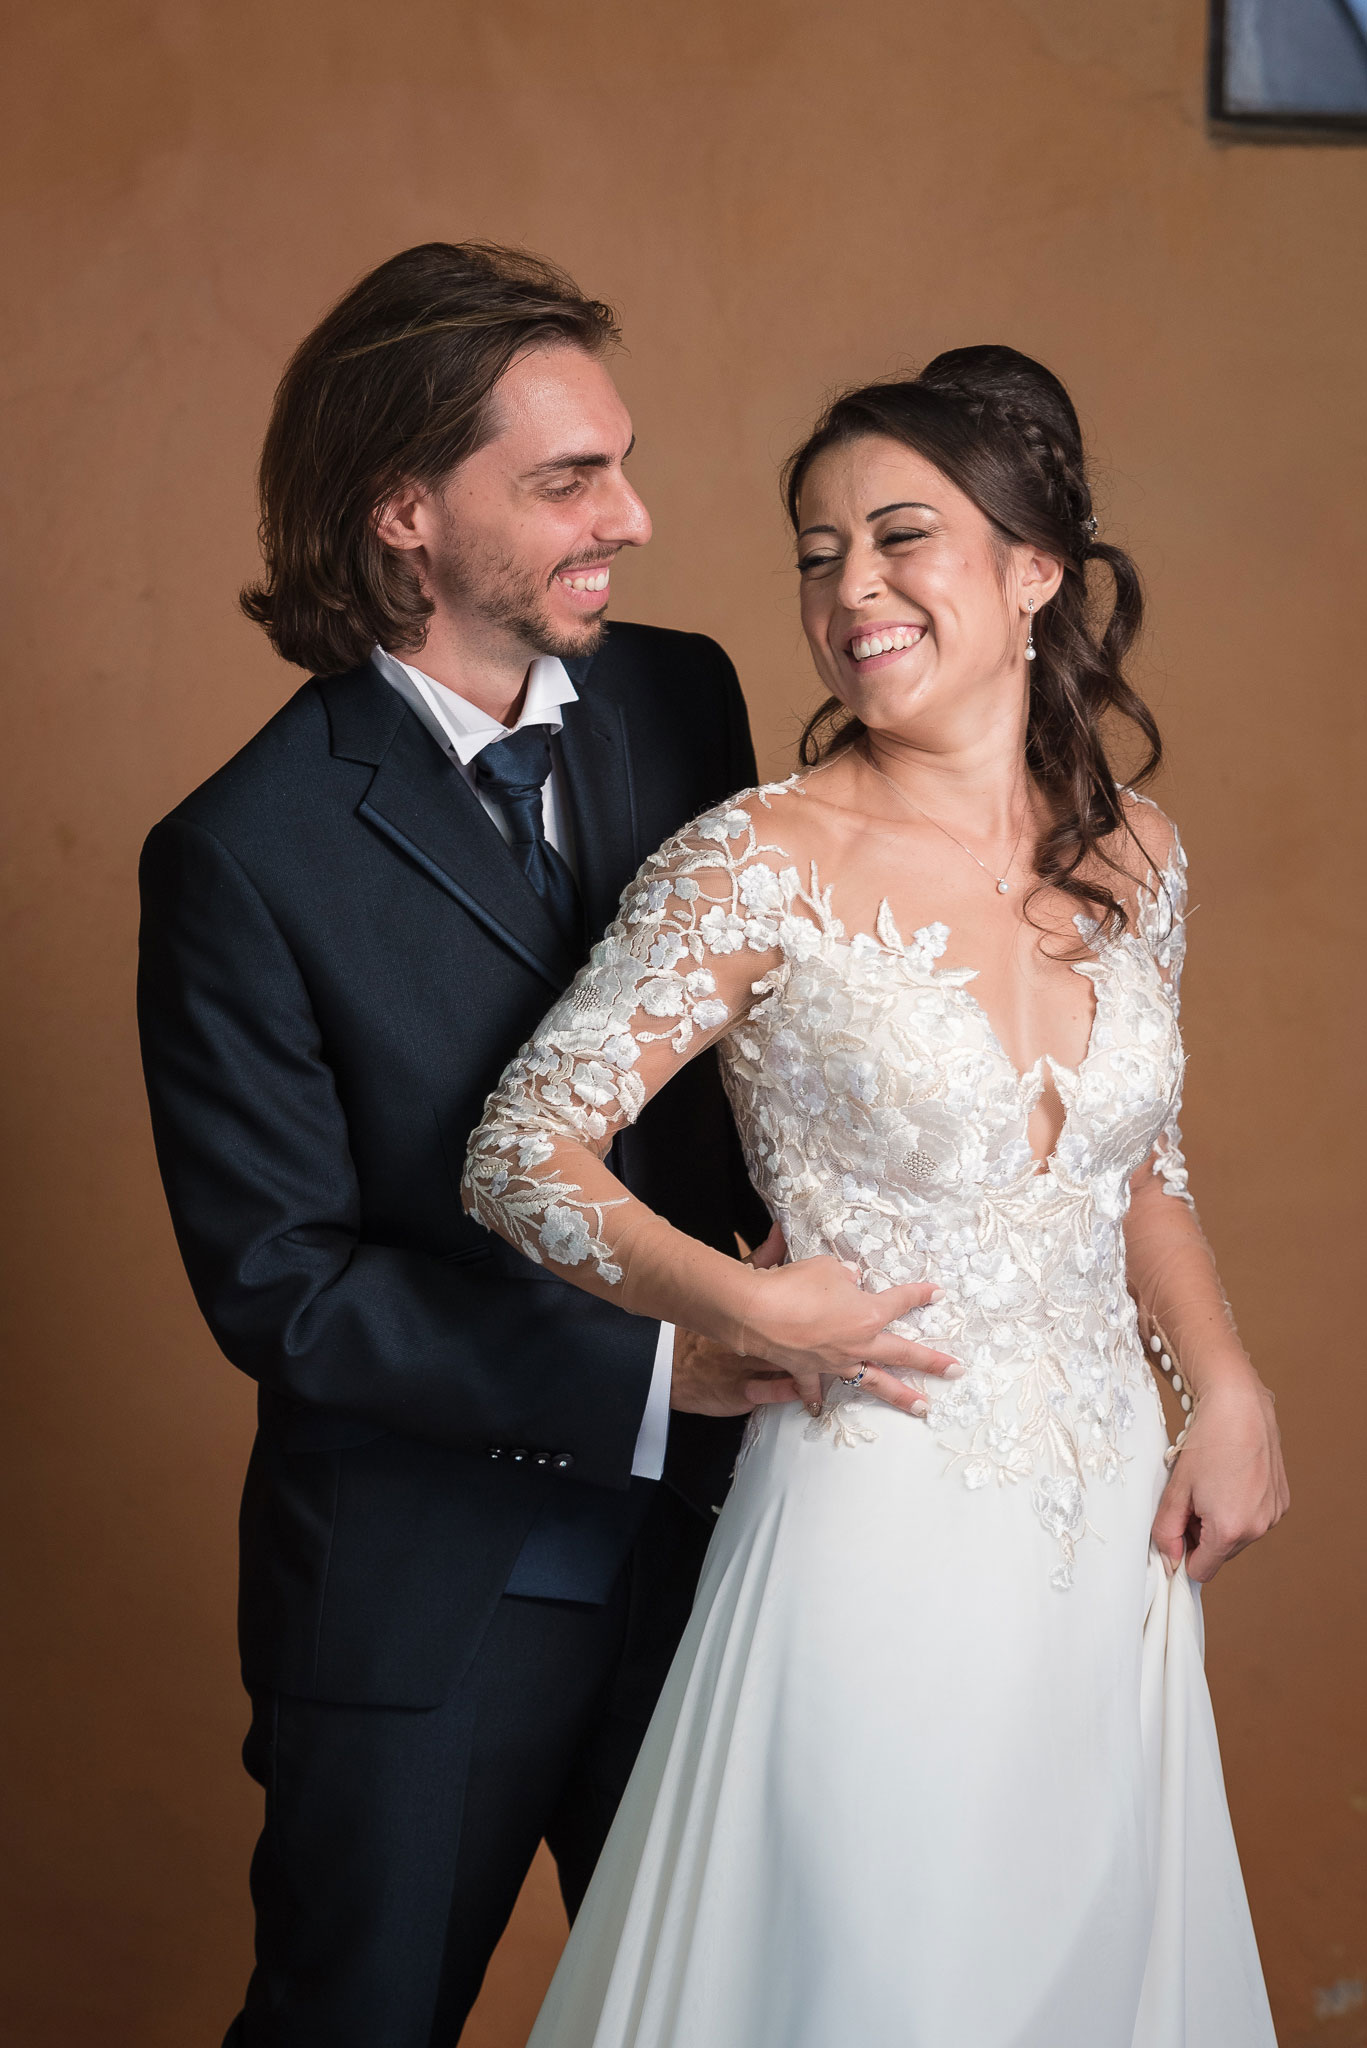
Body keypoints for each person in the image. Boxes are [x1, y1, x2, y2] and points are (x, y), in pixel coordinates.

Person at [137, 241, 947, 2046]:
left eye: (623, 464)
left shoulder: (684, 696)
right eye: (570, 481)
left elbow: (769, 1045)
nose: (633, 519)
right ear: (404, 512)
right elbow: (286, 1289)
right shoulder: (240, 857)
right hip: (428, 1603)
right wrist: (661, 1369)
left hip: (743, 1559)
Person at [463, 346, 1289, 2046]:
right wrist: (748, 1303)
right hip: (877, 1505)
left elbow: (1132, 1163)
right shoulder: (761, 859)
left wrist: (1228, 1388)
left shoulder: (1138, 852)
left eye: (903, 539)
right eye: (819, 555)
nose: (852, 592)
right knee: (885, 1977)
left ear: (1034, 570)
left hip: (1108, 1521)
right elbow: (520, 1149)